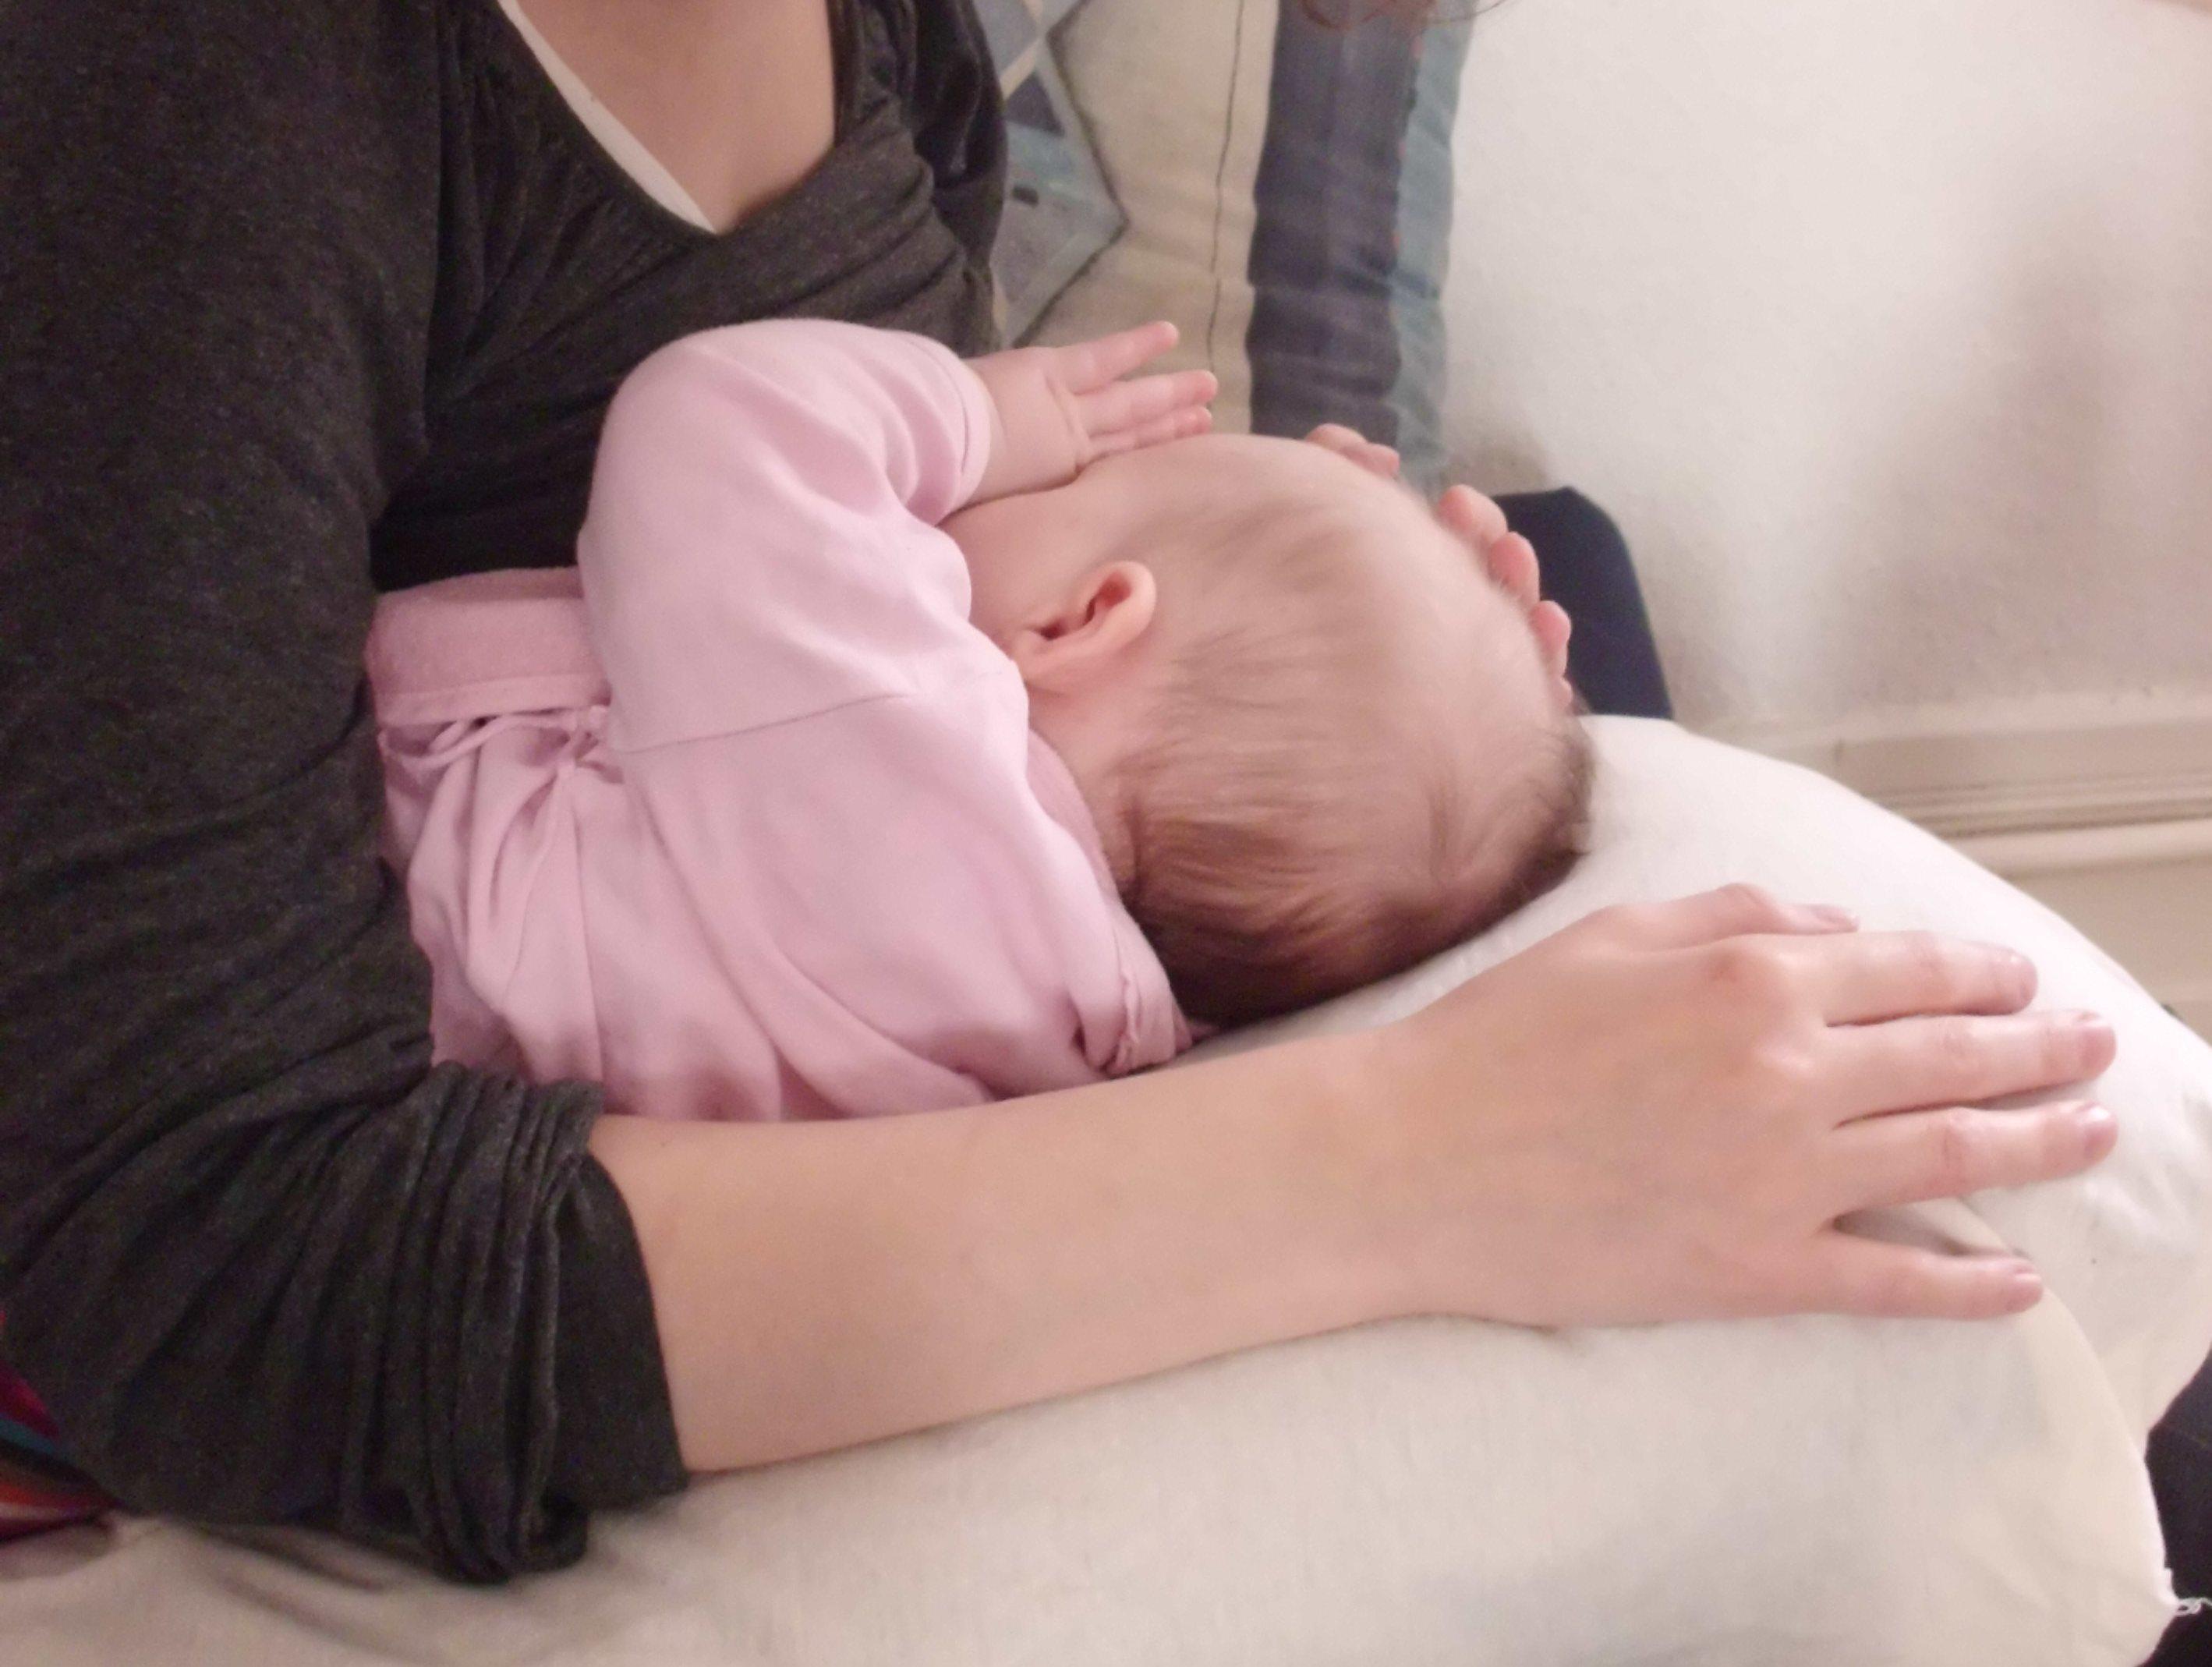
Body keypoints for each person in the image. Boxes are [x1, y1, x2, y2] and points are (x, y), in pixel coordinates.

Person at [0, 0, 2124, 1584]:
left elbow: (851, 512)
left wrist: (1360, 665)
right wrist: (1419, 1138)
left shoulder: (885, 39)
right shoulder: (193, 88)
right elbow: (208, 1276)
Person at [368, 317, 1589, 1120]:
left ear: (1080, 621)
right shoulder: (1103, 1036)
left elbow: (712, 415)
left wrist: (992, 422)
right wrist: (1454, 711)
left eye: (1080, 484)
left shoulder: (900, 727)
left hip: (344, 890)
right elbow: (1366, 856)